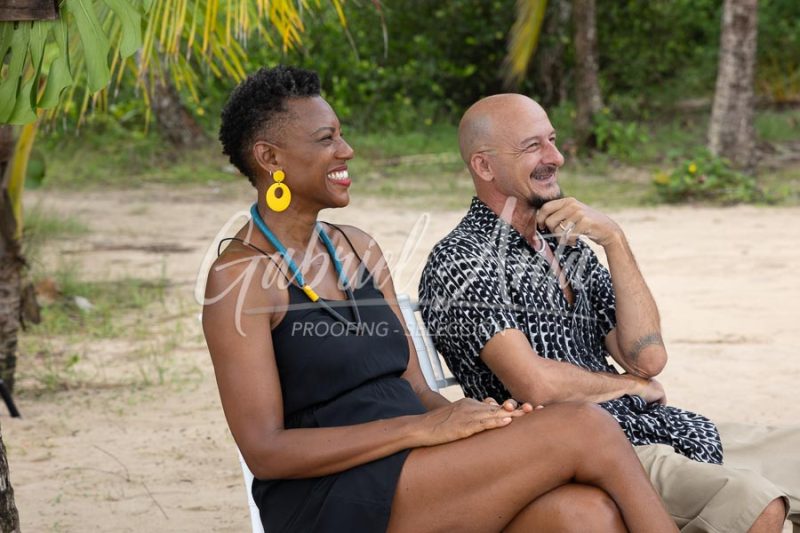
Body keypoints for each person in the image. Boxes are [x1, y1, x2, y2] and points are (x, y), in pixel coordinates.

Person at [201, 66, 679, 533]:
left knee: (584, 514)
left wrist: (480, 420)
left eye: (341, 136)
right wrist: (417, 431)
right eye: (326, 139)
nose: (346, 150)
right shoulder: (240, 277)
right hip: (330, 493)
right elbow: (265, 450)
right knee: (584, 427)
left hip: (417, 468)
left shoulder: (357, 247)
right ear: (270, 157)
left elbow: (418, 390)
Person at [418, 93, 797, 533]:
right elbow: (535, 383)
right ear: (484, 166)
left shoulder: (565, 246)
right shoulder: (463, 259)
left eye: (553, 141)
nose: (555, 157)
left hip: (653, 427)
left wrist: (614, 240)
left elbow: (648, 358)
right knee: (758, 503)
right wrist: (629, 386)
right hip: (591, 450)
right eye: (532, 147)